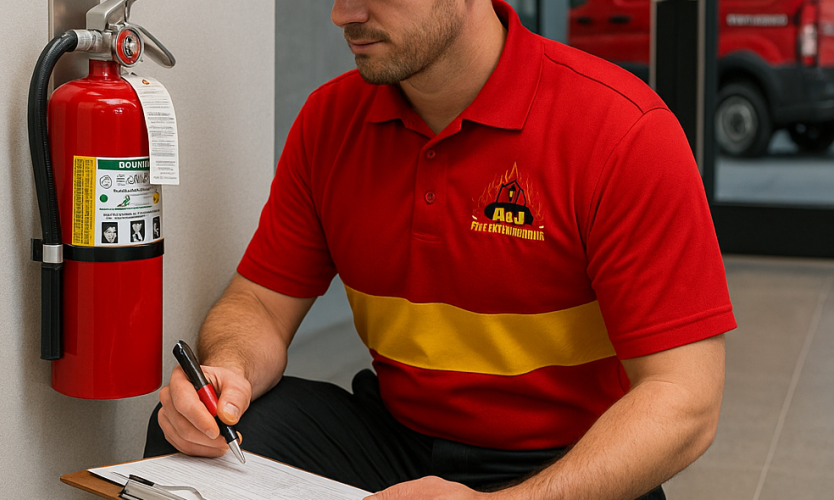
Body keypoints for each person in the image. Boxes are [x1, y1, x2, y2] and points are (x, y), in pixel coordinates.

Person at [145, 1, 736, 499]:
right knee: (191, 451)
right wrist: (227, 372)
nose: (341, 14)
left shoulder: (621, 130)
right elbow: (260, 305)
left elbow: (684, 400)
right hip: (397, 436)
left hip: (571, 459)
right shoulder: (331, 121)